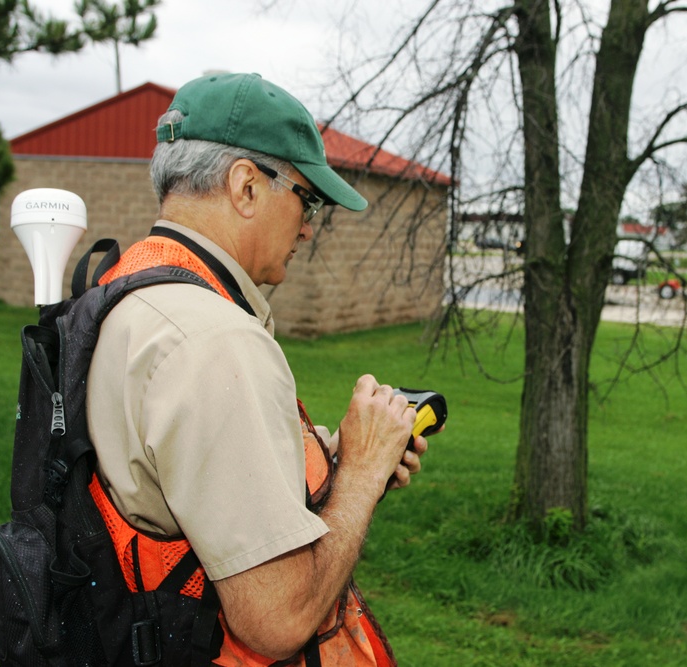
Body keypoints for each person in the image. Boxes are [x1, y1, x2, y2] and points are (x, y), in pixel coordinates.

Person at [85, 72, 431, 665]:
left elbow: (190, 472)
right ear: (246, 186)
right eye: (308, 198)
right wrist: (362, 477)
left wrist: (342, 453)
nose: (308, 226)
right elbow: (278, 618)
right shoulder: (213, 340)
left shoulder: (129, 288)